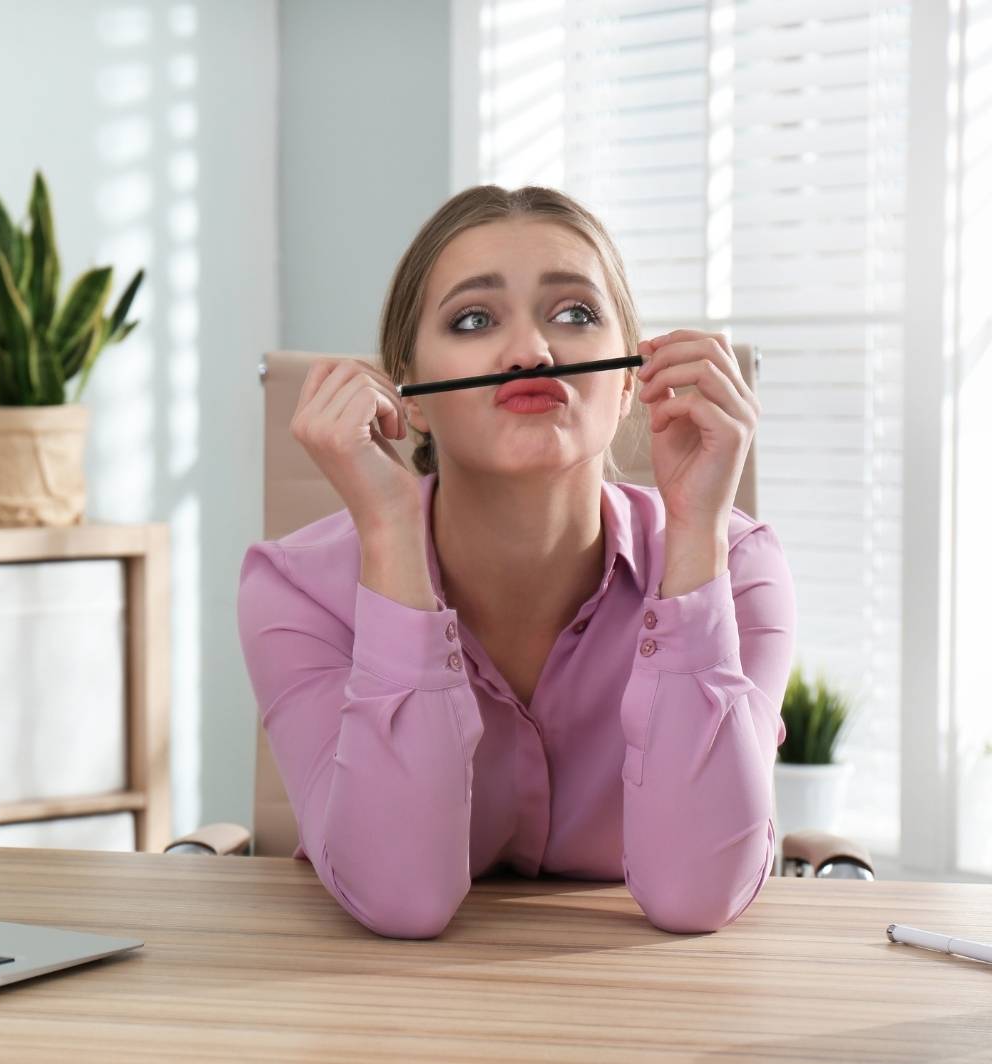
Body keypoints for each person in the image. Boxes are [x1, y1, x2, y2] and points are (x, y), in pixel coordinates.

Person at [237, 185, 793, 939]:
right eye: (473, 319)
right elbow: (401, 898)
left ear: (630, 378)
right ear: (414, 396)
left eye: (576, 315)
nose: (533, 351)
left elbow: (699, 896)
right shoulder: (295, 589)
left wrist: (695, 536)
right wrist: (392, 534)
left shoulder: (736, 564)